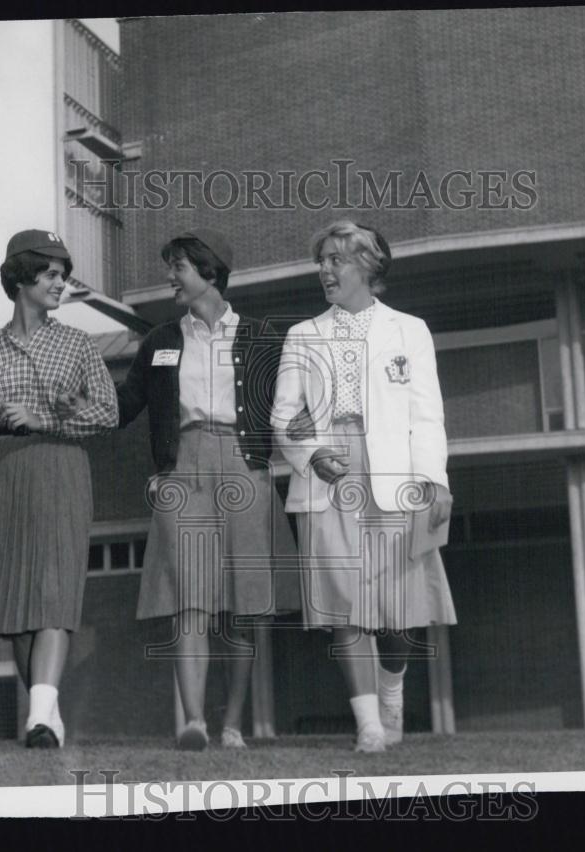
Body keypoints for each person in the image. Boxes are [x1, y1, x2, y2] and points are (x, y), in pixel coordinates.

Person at [271, 220, 456, 752]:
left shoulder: (409, 330)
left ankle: (391, 689)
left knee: (399, 612)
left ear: (368, 267)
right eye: (322, 260)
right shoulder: (302, 336)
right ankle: (369, 725)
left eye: (337, 260)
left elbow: (428, 415)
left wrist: (434, 480)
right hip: (330, 476)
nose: (326, 270)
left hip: (396, 474)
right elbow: (284, 416)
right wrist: (310, 454)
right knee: (345, 603)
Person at [116, 228, 299, 750]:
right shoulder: (160, 341)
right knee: (189, 600)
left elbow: (289, 407)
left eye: (179, 267)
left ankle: (234, 725)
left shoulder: (263, 337)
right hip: (184, 470)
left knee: (242, 604)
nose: (170, 276)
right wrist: (70, 399)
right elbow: (126, 406)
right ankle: (195, 722)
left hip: (245, 468)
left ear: (210, 272)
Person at [0, 230, 117, 748]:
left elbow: (108, 412)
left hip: (59, 469)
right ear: (22, 276)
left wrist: (44, 417)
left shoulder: (78, 344)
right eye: (50, 274)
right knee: (17, 609)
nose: (59, 284)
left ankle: (41, 717)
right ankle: (46, 714)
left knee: (52, 593)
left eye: (63, 275)